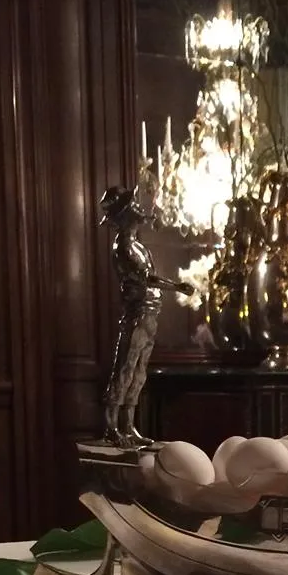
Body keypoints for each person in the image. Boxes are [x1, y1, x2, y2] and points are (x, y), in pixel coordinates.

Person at [99, 186, 193, 446]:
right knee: (125, 368)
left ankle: (128, 426)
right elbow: (146, 279)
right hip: (137, 314)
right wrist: (177, 286)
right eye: (133, 206)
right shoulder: (124, 249)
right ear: (125, 215)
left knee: (139, 371)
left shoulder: (140, 247)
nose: (140, 208)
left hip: (150, 313)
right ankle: (111, 426)